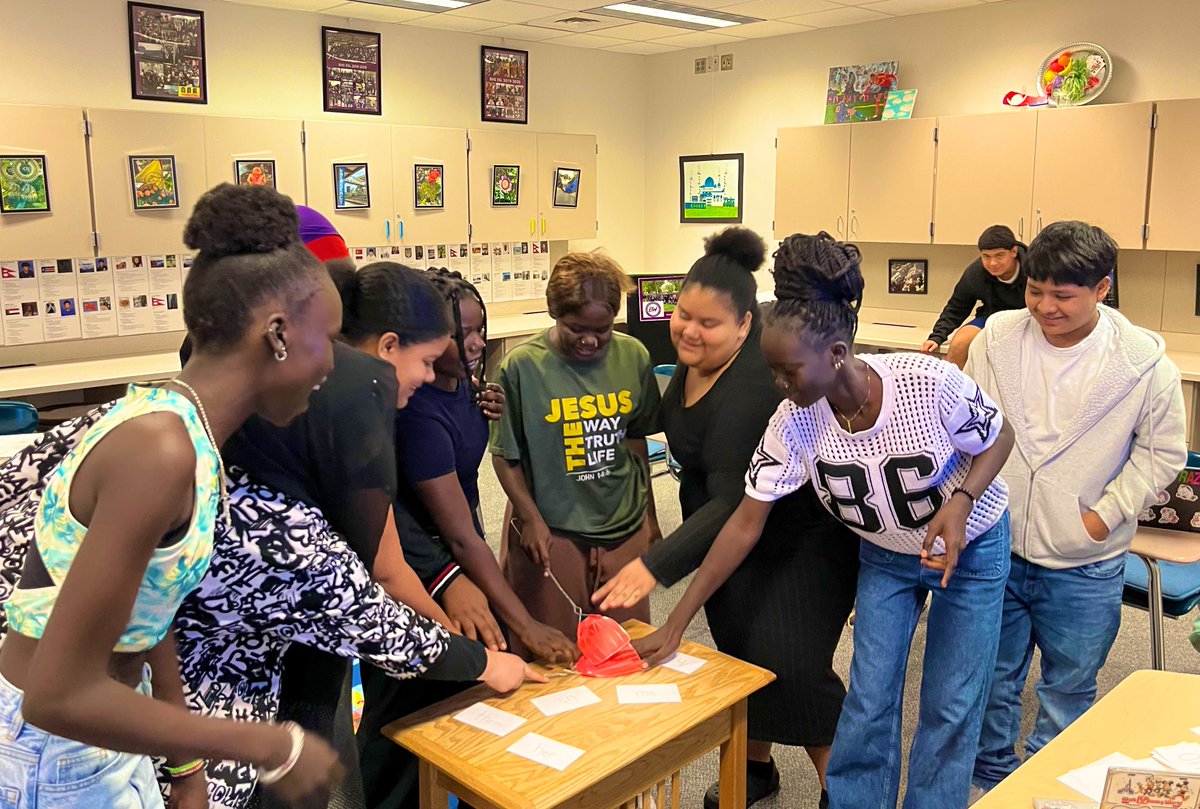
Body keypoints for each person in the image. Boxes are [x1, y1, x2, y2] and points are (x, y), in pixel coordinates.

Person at [636, 231, 1016, 809]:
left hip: (972, 545)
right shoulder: (794, 422)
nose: (780, 388)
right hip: (887, 554)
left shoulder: (926, 382)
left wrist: (960, 503)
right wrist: (677, 622)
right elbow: (743, 523)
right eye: (773, 373)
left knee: (951, 702)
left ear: (836, 354)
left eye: (789, 373)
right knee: (869, 698)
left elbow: (998, 436)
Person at [0, 183, 347, 808]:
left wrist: (185, 763)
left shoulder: (185, 427)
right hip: (52, 749)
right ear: (278, 334)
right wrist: (268, 746)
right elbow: (56, 693)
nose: (332, 367)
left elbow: (144, 602)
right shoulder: (159, 449)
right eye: (330, 340)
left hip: (107, 729)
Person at [593, 228, 860, 809]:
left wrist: (654, 566)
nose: (689, 329)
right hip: (727, 543)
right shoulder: (690, 365)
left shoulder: (750, 390)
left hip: (796, 546)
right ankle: (756, 770)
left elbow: (733, 502)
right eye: (683, 314)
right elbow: (657, 428)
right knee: (743, 658)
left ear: (745, 326)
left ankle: (846, 789)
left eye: (708, 323)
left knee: (793, 668)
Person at [966, 221, 1187, 797]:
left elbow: (1161, 456)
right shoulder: (997, 340)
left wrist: (1104, 514)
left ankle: (1050, 783)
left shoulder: (1143, 365)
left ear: (1102, 288)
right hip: (997, 545)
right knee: (992, 677)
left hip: (1086, 561)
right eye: (1035, 291)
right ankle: (990, 779)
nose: (1044, 307)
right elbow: (967, 423)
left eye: (1063, 295)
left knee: (1068, 686)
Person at [357, 267, 577, 809]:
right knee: (410, 714)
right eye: (460, 337)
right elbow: (446, 535)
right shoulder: (410, 411)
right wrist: (519, 620)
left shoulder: (466, 388)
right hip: (421, 566)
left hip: (447, 555)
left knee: (464, 700)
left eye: (480, 330)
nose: (476, 344)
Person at [490, 251, 662, 657]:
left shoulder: (633, 355)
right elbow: (505, 454)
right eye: (576, 328)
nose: (590, 340)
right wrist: (529, 517)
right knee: (554, 654)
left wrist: (650, 517)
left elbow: (637, 441)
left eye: (602, 330)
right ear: (554, 313)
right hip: (553, 527)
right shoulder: (521, 367)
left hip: (623, 522)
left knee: (625, 651)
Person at [920, 225, 1027, 368]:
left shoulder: (1034, 267)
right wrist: (936, 337)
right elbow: (957, 308)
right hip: (990, 316)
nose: (992, 263)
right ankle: (952, 388)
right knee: (959, 343)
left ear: (1013, 252)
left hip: (1029, 318)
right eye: (986, 256)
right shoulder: (976, 273)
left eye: (999, 255)